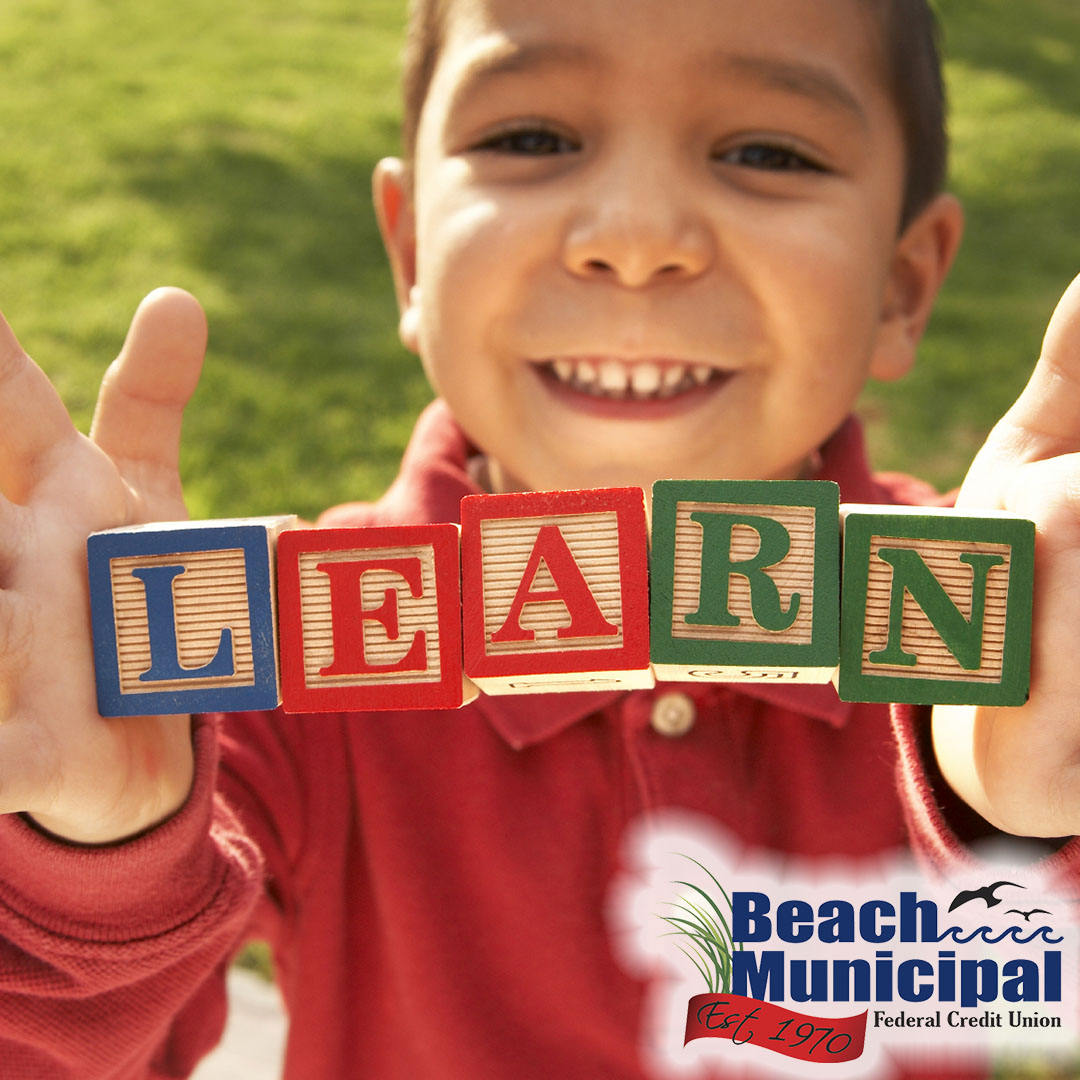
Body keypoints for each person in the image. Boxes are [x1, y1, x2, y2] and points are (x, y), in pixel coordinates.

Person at [0, 0, 1078, 1076]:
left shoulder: (1007, 640)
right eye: (531, 139)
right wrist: (89, 863)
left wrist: (1026, 820)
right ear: (412, 254)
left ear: (902, 284)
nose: (636, 236)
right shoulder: (274, 693)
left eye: (766, 151)